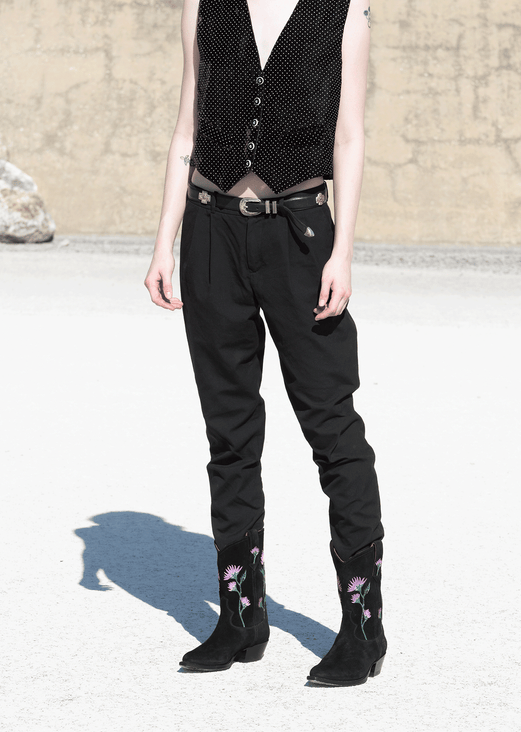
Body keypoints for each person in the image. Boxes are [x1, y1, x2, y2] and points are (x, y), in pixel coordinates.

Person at [144, 0, 386, 686]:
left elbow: (349, 137)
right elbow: (187, 128)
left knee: (332, 426)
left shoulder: (345, 12)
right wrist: (164, 243)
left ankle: (362, 624)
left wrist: (342, 252)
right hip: (209, 231)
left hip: (300, 235)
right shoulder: (201, 5)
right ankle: (240, 616)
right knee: (228, 430)